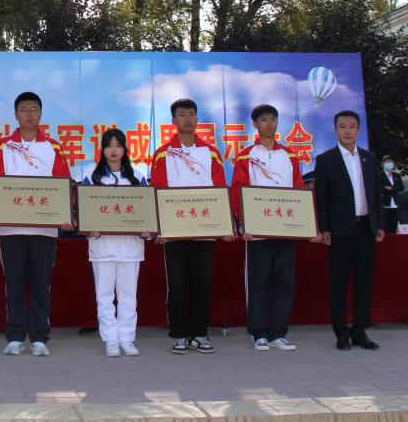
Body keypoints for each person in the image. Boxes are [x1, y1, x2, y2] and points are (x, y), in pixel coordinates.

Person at [0, 91, 73, 357]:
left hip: (44, 230)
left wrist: (65, 215)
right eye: (24, 109)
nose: (29, 114)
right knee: (13, 282)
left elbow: (63, 184)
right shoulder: (2, 147)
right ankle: (15, 336)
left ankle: (39, 337)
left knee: (41, 282)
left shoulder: (53, 147)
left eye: (34, 109)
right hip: (10, 228)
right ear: (16, 114)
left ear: (41, 114)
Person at [150, 98, 230, 355]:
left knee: (202, 283)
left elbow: (220, 188)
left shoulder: (211, 152)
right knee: (176, 283)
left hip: (205, 228)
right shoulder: (163, 153)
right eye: (182, 114)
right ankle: (178, 334)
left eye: (192, 114)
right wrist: (160, 227)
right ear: (173, 120)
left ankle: (199, 333)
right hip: (174, 230)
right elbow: (157, 189)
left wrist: (225, 224)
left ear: (197, 118)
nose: (187, 118)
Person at [230, 104, 307, 352]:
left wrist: (303, 222)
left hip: (285, 228)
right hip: (257, 231)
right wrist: (243, 223)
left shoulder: (290, 156)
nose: (269, 124)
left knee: (285, 282)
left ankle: (278, 333)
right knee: (259, 281)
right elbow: (237, 191)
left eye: (273, 119)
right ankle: (258, 332)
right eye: (264, 119)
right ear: (255, 124)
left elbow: (298, 189)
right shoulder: (246, 156)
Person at [314, 109, 384, 351]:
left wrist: (379, 224)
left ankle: (360, 331)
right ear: (335, 130)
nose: (347, 131)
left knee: (364, 282)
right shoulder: (326, 159)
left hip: (366, 227)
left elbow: (376, 194)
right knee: (339, 283)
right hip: (339, 230)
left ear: (358, 130)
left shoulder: (369, 158)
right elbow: (321, 197)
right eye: (342, 126)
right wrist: (324, 228)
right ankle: (341, 331)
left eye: (352, 126)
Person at [81, 128, 151, 358]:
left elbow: (147, 211)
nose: (113, 150)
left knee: (128, 295)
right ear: (102, 149)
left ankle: (127, 338)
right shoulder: (91, 177)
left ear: (125, 149)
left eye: (118, 145)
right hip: (102, 246)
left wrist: (146, 230)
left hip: (130, 247)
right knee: (104, 295)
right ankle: (110, 339)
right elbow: (84, 211)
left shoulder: (137, 177)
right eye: (109, 145)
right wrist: (90, 228)